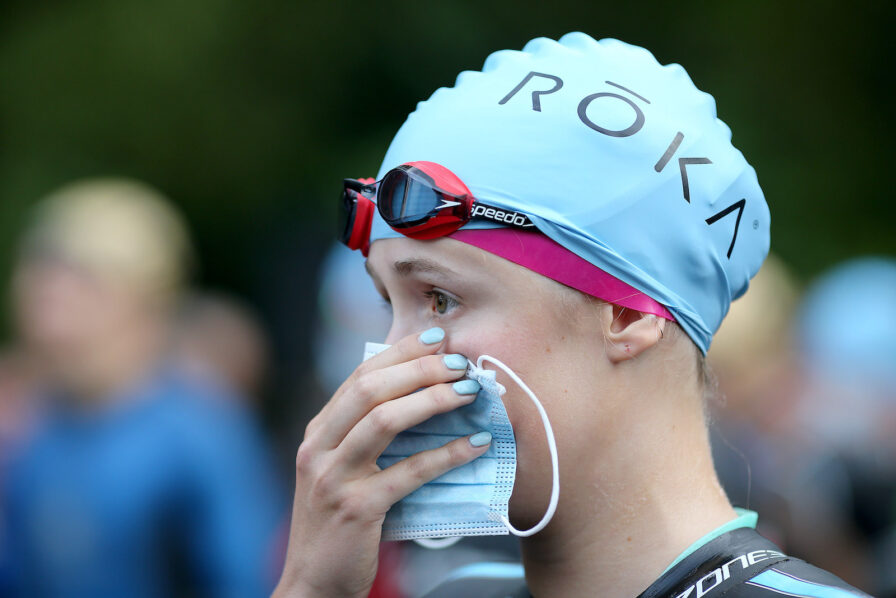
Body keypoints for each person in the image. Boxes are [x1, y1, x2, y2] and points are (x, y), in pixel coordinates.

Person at [273, 34, 871, 597]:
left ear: (626, 314)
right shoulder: (450, 590)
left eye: (440, 299)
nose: (386, 361)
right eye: (387, 304)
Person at [2, 179, 284, 598]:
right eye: (42, 281)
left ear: (147, 303)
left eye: (82, 284)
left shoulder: (204, 433)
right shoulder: (36, 432)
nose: (50, 315)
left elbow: (249, 580)